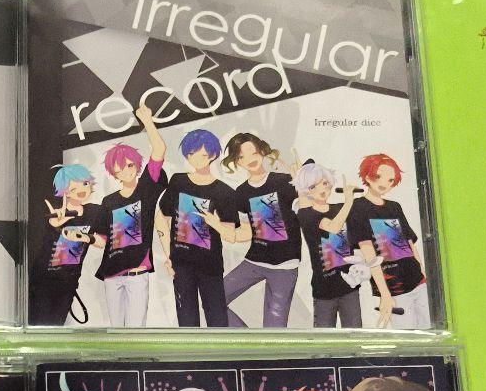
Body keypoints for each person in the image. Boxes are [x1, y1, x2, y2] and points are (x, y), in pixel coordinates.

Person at [93, 104, 168, 327]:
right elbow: (101, 240)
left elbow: (159, 150)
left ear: (136, 165)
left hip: (137, 272)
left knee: (136, 330)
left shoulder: (147, 188)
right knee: (116, 330)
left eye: (129, 165)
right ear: (114, 173)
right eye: (120, 168)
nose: (126, 170)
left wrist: (148, 122)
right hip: (111, 273)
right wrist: (76, 233)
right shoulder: (108, 201)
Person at [155, 129, 240, 327]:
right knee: (187, 322)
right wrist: (169, 255)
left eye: (201, 154)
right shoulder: (178, 181)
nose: (195, 159)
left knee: (217, 321)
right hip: (181, 264)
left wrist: (215, 223)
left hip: (210, 266)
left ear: (212, 155)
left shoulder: (225, 192)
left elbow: (230, 235)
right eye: (191, 154)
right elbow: (161, 218)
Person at [218, 133, 303, 328]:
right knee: (214, 299)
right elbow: (246, 232)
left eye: (253, 152)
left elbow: (307, 212)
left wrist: (303, 185)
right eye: (242, 156)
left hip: (284, 266)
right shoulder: (241, 193)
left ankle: (264, 344)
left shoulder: (284, 181)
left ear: (262, 151)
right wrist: (217, 225)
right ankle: (248, 340)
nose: (249, 159)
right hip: (254, 261)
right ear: (237, 162)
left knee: (274, 330)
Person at [347, 153, 429, 330]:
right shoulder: (358, 207)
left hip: (418, 280)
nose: (384, 183)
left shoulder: (394, 206)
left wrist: (422, 271)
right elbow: (369, 254)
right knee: (407, 336)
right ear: (367, 176)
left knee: (429, 328)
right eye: (378, 176)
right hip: (394, 286)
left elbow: (409, 242)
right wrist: (385, 293)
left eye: (390, 180)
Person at [293, 161, 369, 328]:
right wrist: (348, 202)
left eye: (325, 183)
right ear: (306, 190)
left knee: (355, 335)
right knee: (323, 338)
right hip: (324, 291)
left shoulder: (340, 208)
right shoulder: (305, 215)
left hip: (350, 287)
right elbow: (333, 227)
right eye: (313, 186)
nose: (322, 189)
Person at [39, 164, 104, 324]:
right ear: (64, 191)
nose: (81, 189)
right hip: (42, 281)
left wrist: (86, 237)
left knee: (57, 325)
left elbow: (102, 242)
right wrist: (54, 224)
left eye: (85, 183)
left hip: (69, 282)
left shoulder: (94, 212)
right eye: (73, 187)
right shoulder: (56, 214)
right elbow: (42, 246)